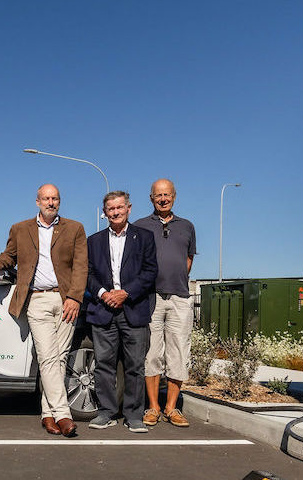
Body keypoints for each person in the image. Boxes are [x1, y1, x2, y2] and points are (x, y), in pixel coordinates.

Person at [0, 184, 87, 437]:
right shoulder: (21, 229)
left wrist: (74, 297)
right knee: (48, 357)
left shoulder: (75, 228)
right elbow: (9, 255)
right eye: (46, 199)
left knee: (59, 358)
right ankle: (63, 414)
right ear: (37, 201)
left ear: (59, 202)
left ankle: (47, 415)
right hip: (37, 300)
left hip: (65, 300)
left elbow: (81, 266)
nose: (51, 202)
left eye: (55, 199)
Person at [85, 191, 157, 433]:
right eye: (110, 209)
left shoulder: (144, 237)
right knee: (104, 364)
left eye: (119, 207)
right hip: (103, 309)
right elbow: (88, 274)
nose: (115, 212)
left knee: (135, 365)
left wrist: (126, 292)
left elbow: (150, 272)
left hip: (133, 309)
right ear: (104, 212)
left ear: (129, 208)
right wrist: (104, 293)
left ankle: (134, 415)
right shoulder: (93, 241)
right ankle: (106, 412)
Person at [134, 178, 197, 427]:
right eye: (158, 195)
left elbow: (188, 259)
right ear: (151, 198)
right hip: (152, 298)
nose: (163, 199)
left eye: (167, 195)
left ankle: (172, 408)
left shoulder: (187, 226)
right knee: (152, 354)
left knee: (179, 353)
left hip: (180, 298)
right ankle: (153, 407)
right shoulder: (140, 226)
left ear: (174, 196)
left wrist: (177, 277)